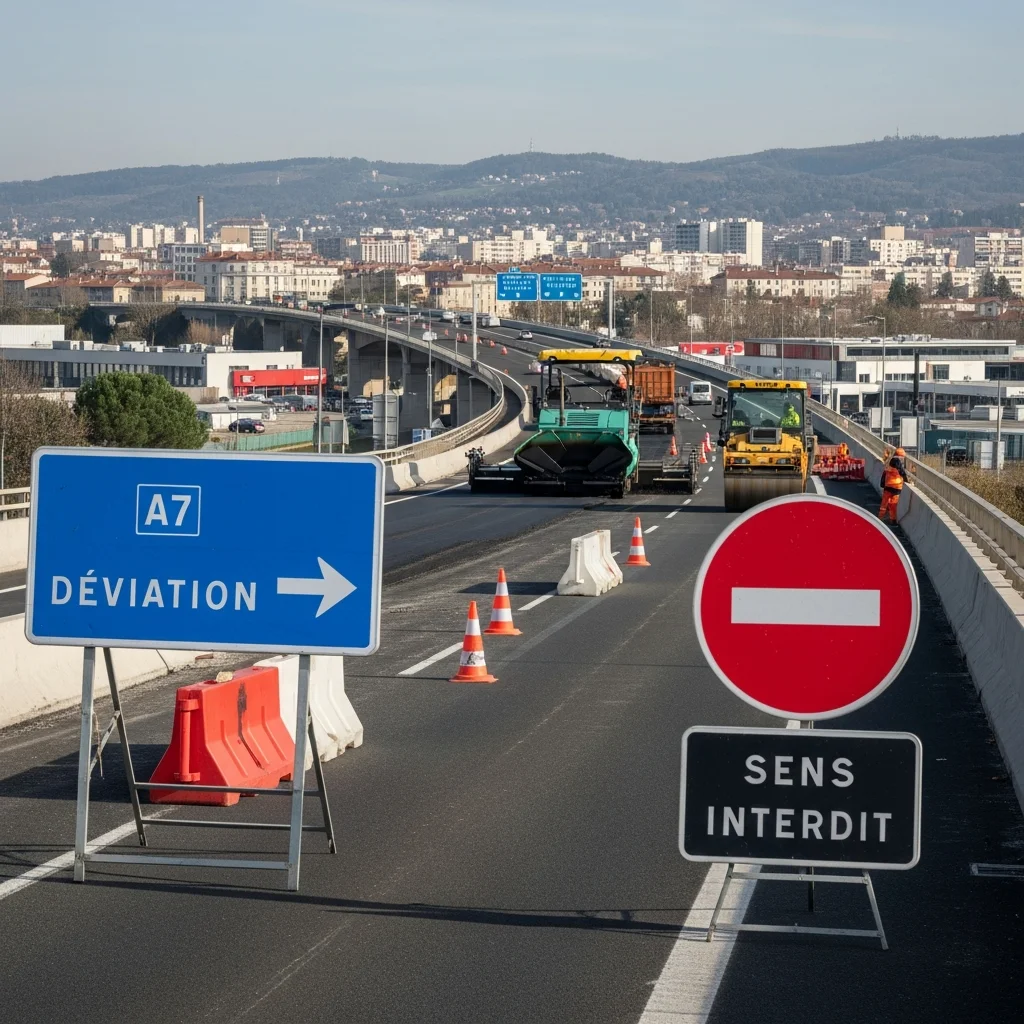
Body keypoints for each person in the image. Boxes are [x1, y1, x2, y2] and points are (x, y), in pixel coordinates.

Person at [879, 454, 909, 523]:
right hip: (897, 489)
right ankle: (893, 519)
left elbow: (883, 479)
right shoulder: (900, 470)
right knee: (893, 504)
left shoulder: (887, 470)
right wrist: (908, 482)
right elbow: (904, 477)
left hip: (888, 488)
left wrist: (883, 486)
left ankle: (880, 518)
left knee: (884, 504)